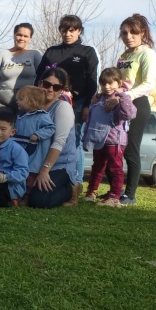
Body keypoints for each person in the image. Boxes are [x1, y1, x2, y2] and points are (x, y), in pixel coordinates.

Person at [35, 15, 99, 189]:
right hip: (48, 103)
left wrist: (87, 106)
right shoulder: (52, 52)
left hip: (77, 105)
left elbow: (93, 80)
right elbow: (39, 77)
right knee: (47, 138)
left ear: (79, 31)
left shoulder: (87, 52)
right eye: (64, 30)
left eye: (72, 30)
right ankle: (45, 175)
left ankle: (75, 182)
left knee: (74, 143)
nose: (68, 34)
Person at [115, 14, 156, 206]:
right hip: (119, 103)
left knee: (131, 150)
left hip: (138, 104)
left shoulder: (147, 53)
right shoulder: (124, 55)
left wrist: (127, 96)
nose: (128, 36)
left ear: (142, 33)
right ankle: (116, 190)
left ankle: (130, 195)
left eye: (133, 32)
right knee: (115, 148)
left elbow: (149, 84)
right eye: (124, 33)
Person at [83, 67, 137, 207]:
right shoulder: (98, 99)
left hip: (115, 141)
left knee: (116, 168)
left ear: (119, 83)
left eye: (111, 83)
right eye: (104, 83)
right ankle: (91, 192)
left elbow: (130, 114)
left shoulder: (122, 98)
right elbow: (91, 118)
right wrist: (87, 136)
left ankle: (114, 196)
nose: (107, 87)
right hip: (99, 139)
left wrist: (122, 97)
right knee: (97, 166)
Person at [28, 67, 80, 208]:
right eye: (46, 84)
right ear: (40, 84)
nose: (50, 90)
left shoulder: (63, 107)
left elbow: (59, 142)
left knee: (38, 201)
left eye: (56, 87)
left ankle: (71, 189)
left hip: (59, 164)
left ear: (62, 90)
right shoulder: (31, 106)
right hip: (34, 162)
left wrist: (44, 170)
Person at [0, 23, 42, 114]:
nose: (22, 38)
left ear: (30, 38)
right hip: (3, 103)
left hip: (27, 104)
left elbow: (42, 78)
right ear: (14, 35)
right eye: (19, 35)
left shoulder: (35, 54)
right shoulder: (3, 54)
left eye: (26, 36)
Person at [13, 86, 56, 193]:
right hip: (21, 150)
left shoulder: (42, 116)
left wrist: (38, 134)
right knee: (19, 172)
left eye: (20, 99)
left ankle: (27, 195)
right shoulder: (21, 116)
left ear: (31, 102)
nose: (17, 101)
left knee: (30, 176)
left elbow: (51, 128)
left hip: (35, 152)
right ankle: (17, 193)